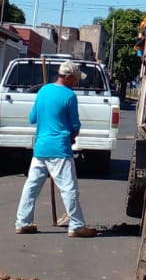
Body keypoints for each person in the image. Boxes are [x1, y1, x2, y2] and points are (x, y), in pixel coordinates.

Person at [15, 61, 96, 237]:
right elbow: (75, 125)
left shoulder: (43, 91)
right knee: (69, 188)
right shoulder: (69, 96)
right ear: (67, 77)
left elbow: (32, 118)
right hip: (59, 148)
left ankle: (23, 222)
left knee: (31, 187)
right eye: (75, 79)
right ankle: (76, 225)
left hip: (41, 148)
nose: (76, 83)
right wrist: (73, 133)